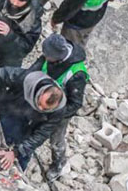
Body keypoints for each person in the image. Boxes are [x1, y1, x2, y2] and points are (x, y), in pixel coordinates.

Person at [0, 68, 66, 171]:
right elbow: (1, 74)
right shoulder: (29, 79)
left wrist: (15, 152)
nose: (40, 108)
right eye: (40, 103)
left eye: (45, 109)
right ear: (41, 93)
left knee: (21, 158)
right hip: (11, 111)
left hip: (31, 127)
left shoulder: (59, 111)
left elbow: (41, 134)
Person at [27, 34, 88, 181]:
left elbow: (75, 104)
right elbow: (34, 68)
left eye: (48, 57)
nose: (45, 58)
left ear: (59, 57)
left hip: (61, 110)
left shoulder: (76, 74)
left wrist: (54, 114)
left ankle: (58, 163)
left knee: (56, 139)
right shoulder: (50, 53)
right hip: (43, 99)